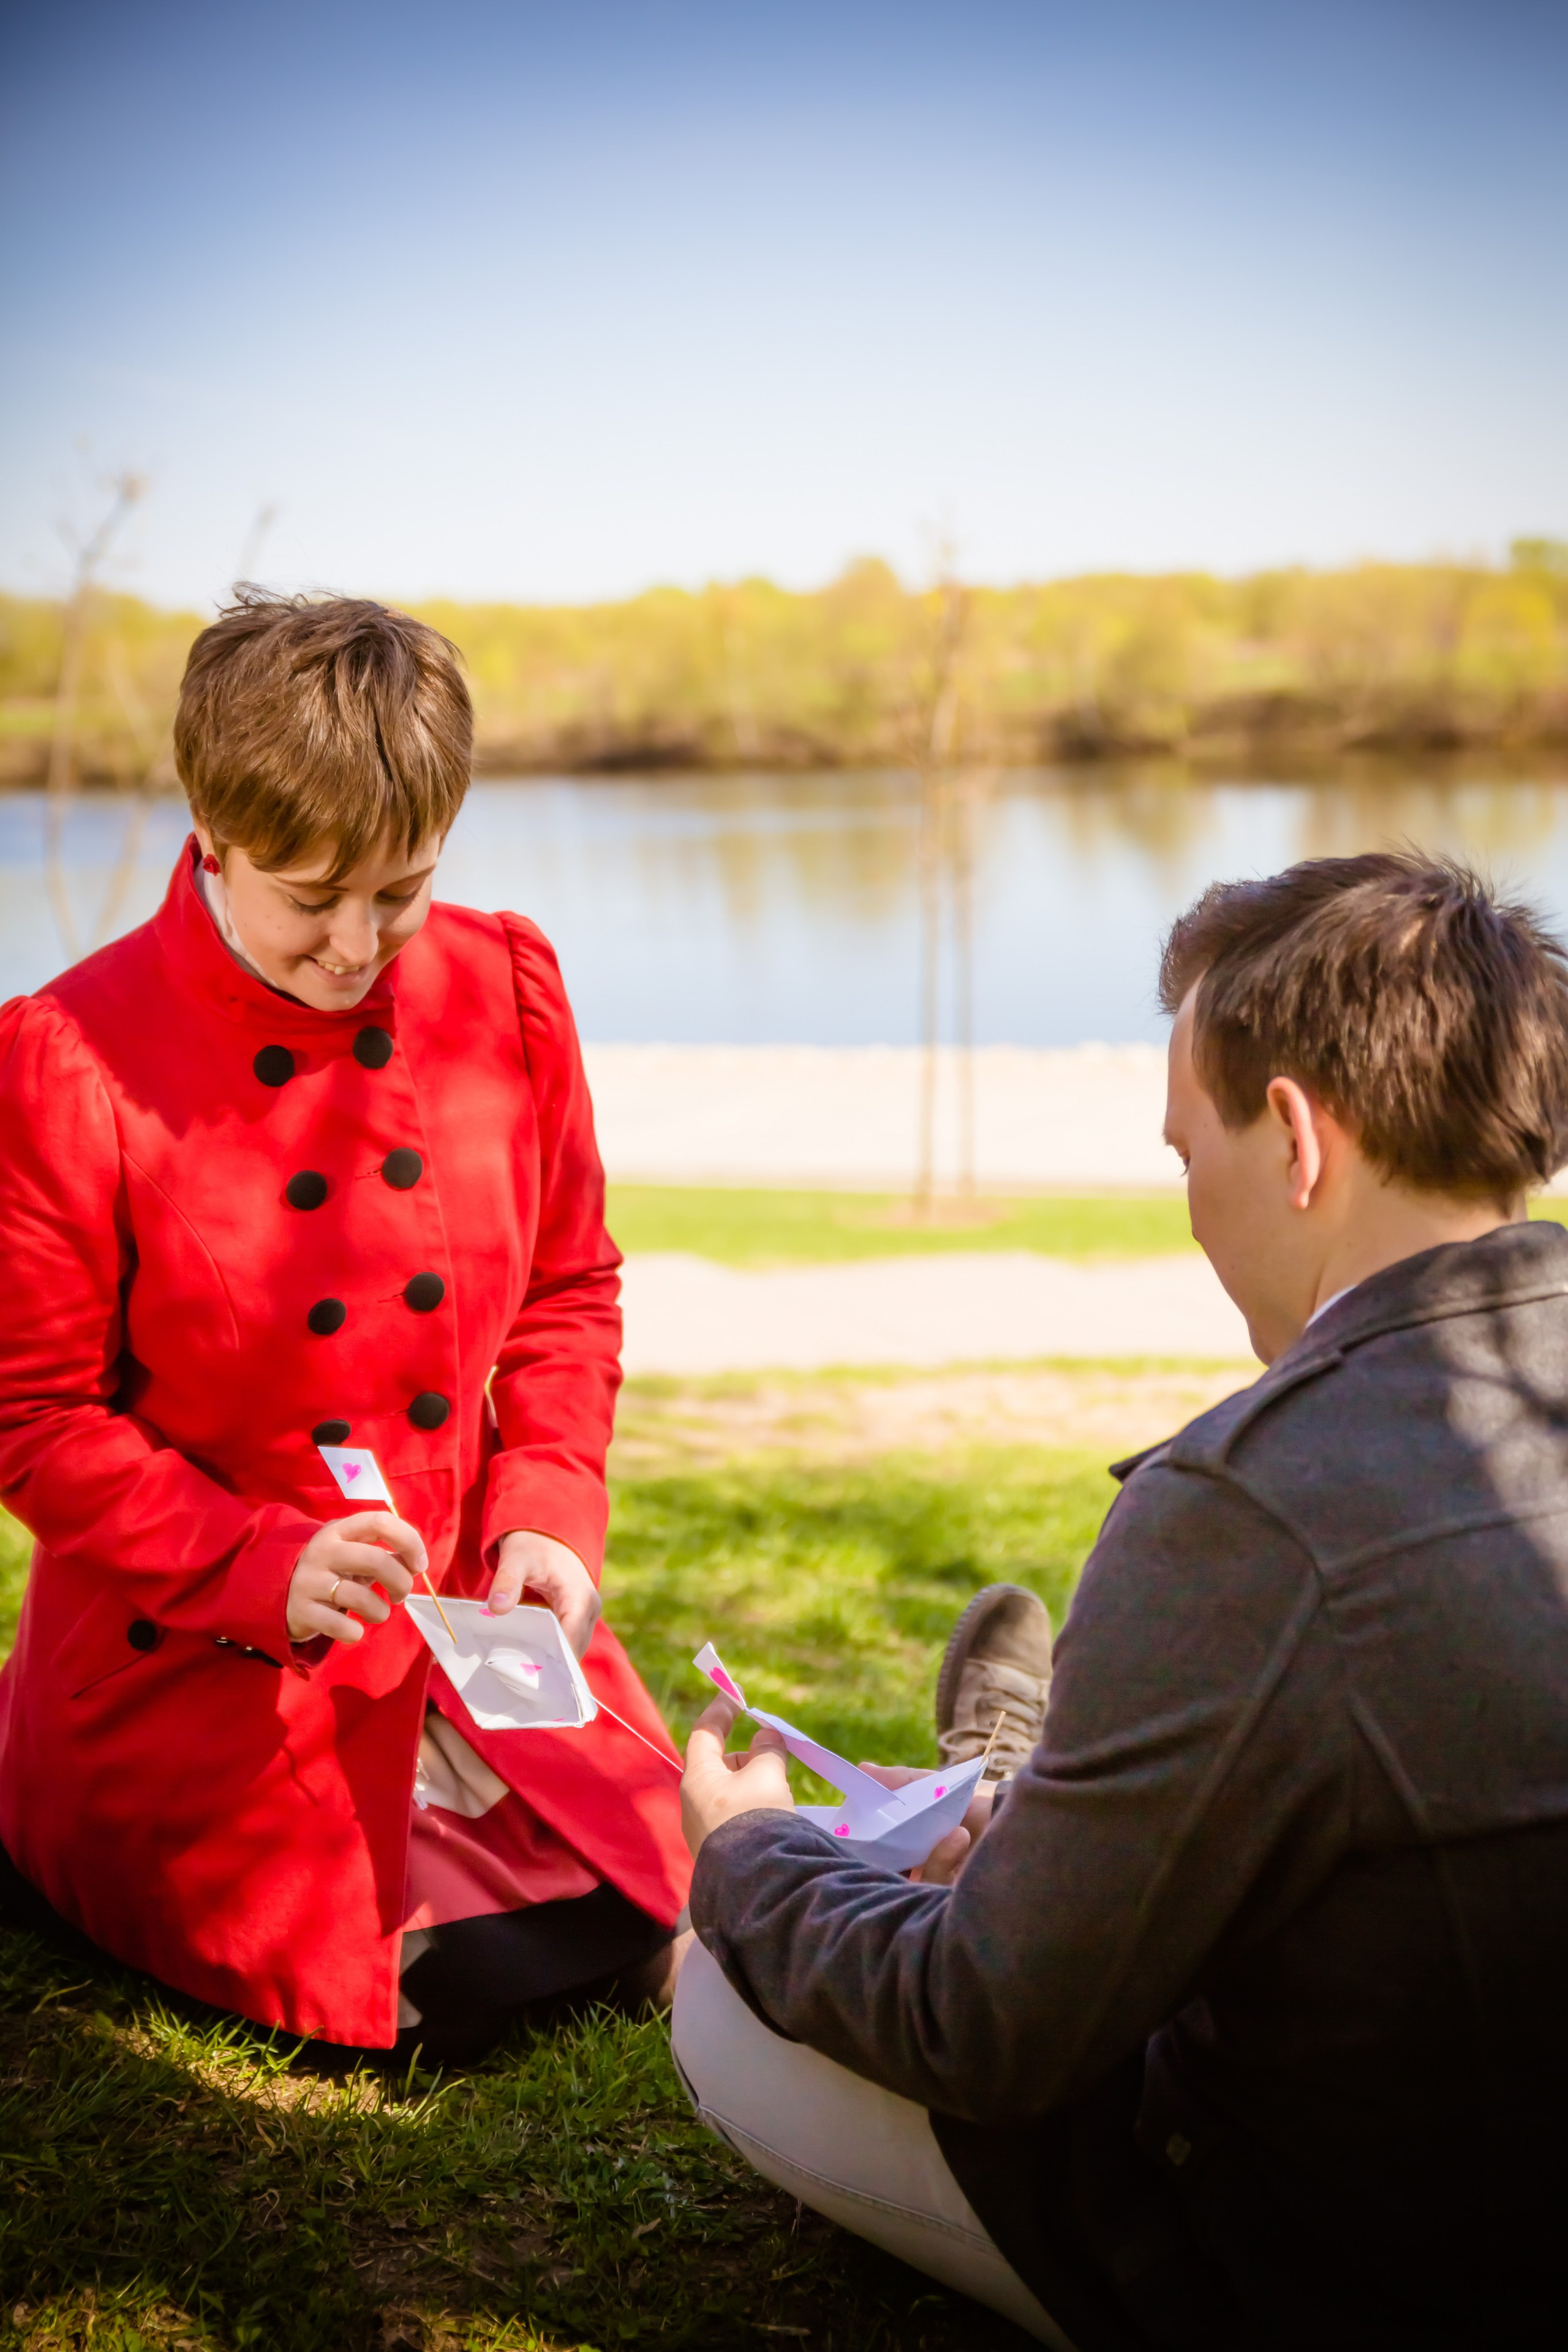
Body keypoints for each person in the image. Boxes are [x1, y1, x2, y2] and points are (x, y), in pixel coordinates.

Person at [673, 852, 1568, 2350]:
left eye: (1182, 1156)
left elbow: (985, 2025)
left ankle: (1009, 1779)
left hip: (1335, 2266)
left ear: (1291, 1136)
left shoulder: (1242, 1509)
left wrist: (749, 1858)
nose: (1191, 1212)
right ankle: (1019, 1781)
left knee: (720, 1983)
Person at [0, 590, 690, 2065]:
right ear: (210, 830)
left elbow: (570, 1288)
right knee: (487, 1993)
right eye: (310, 897)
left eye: (402, 890)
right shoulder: (67, 1057)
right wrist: (259, 1562)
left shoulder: (507, 985)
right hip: (199, 1661)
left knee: (685, 1908)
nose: (357, 945)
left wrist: (551, 1516)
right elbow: (33, 1420)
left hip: (467, 1629)